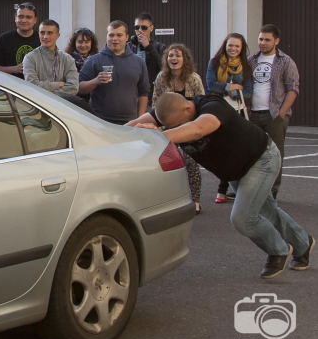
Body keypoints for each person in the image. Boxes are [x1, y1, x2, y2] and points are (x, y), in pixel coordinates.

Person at [129, 92, 314, 279]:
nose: (174, 129)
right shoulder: (169, 113)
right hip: (235, 169)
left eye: (176, 125)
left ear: (187, 109)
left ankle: (278, 251)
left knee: (243, 218)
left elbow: (198, 129)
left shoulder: (213, 106)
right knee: (267, 210)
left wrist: (158, 136)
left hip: (260, 160)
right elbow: (133, 124)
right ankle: (303, 244)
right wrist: (125, 134)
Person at [151, 43, 206, 214]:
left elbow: (202, 103)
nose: (173, 59)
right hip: (168, 127)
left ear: (184, 59)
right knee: (167, 164)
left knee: (191, 163)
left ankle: (195, 200)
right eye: (170, 56)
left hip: (188, 128)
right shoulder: (161, 78)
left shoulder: (194, 79)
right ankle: (169, 199)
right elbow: (156, 103)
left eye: (177, 56)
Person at [248, 24, 299, 199]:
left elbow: (293, 89)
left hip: (274, 116)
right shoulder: (251, 60)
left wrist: (281, 113)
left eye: (267, 40)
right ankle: (251, 190)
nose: (263, 43)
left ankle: (272, 192)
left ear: (276, 41)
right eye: (260, 39)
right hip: (253, 114)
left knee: (275, 156)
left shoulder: (286, 61)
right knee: (252, 153)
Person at [206, 33, 253, 203]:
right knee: (222, 150)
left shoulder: (246, 67)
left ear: (242, 48)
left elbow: (248, 91)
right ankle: (222, 190)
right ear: (225, 45)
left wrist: (231, 91)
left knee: (234, 150)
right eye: (230, 45)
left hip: (237, 113)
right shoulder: (214, 63)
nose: (233, 49)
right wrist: (231, 87)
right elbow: (211, 85)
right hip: (218, 110)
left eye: (237, 46)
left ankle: (227, 190)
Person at [78, 21, 149, 124]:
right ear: (107, 36)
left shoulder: (138, 61)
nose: (115, 39)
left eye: (119, 35)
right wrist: (96, 81)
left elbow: (144, 92)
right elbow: (80, 87)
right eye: (111, 35)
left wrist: (140, 120)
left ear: (127, 37)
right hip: (99, 121)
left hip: (129, 122)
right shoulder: (94, 60)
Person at [23, 20, 79, 96]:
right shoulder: (30, 58)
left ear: (58, 35)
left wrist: (50, 96)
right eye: (42, 33)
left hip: (62, 102)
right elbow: (32, 85)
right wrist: (58, 84)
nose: (45, 37)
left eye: (50, 33)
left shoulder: (68, 59)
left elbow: (73, 87)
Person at [0, 3, 41, 78]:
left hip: (36, 85)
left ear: (35, 20)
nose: (24, 20)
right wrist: (13, 69)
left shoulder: (42, 39)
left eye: (28, 17)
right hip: (9, 84)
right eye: (20, 17)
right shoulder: (4, 39)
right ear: (15, 18)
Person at [128, 13, 167, 107]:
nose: (140, 31)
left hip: (150, 93)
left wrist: (148, 47)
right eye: (137, 27)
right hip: (131, 92)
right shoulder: (128, 47)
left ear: (151, 28)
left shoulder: (160, 47)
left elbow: (164, 67)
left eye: (144, 28)